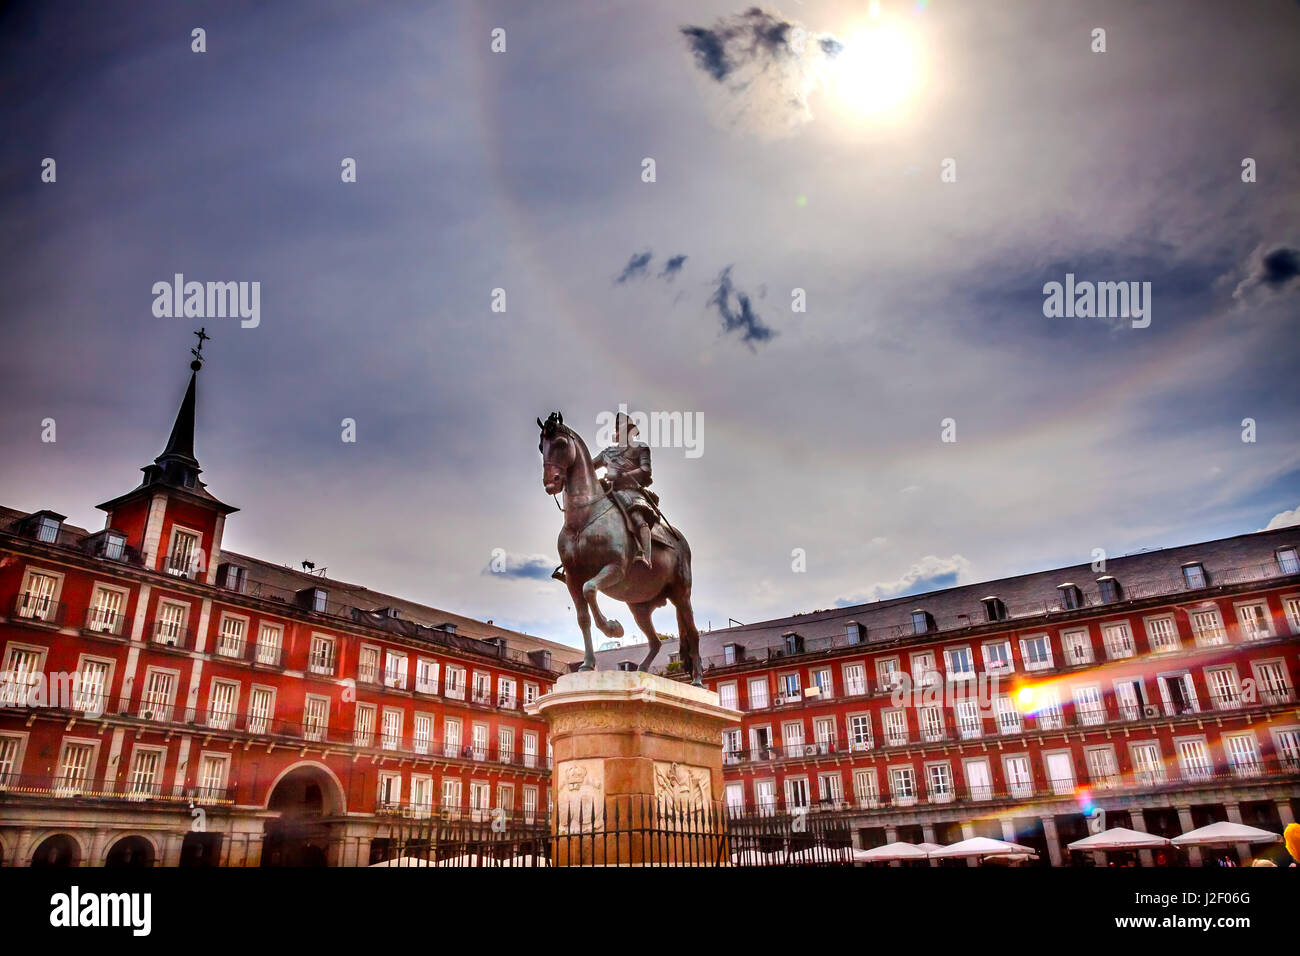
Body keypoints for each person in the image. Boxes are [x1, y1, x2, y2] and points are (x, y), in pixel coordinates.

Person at [593, 412, 657, 568]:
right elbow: (588, 467)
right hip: (608, 493)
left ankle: (645, 556)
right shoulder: (607, 453)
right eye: (619, 430)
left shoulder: (641, 448)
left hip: (631, 491)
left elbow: (645, 470)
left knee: (637, 518)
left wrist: (621, 475)